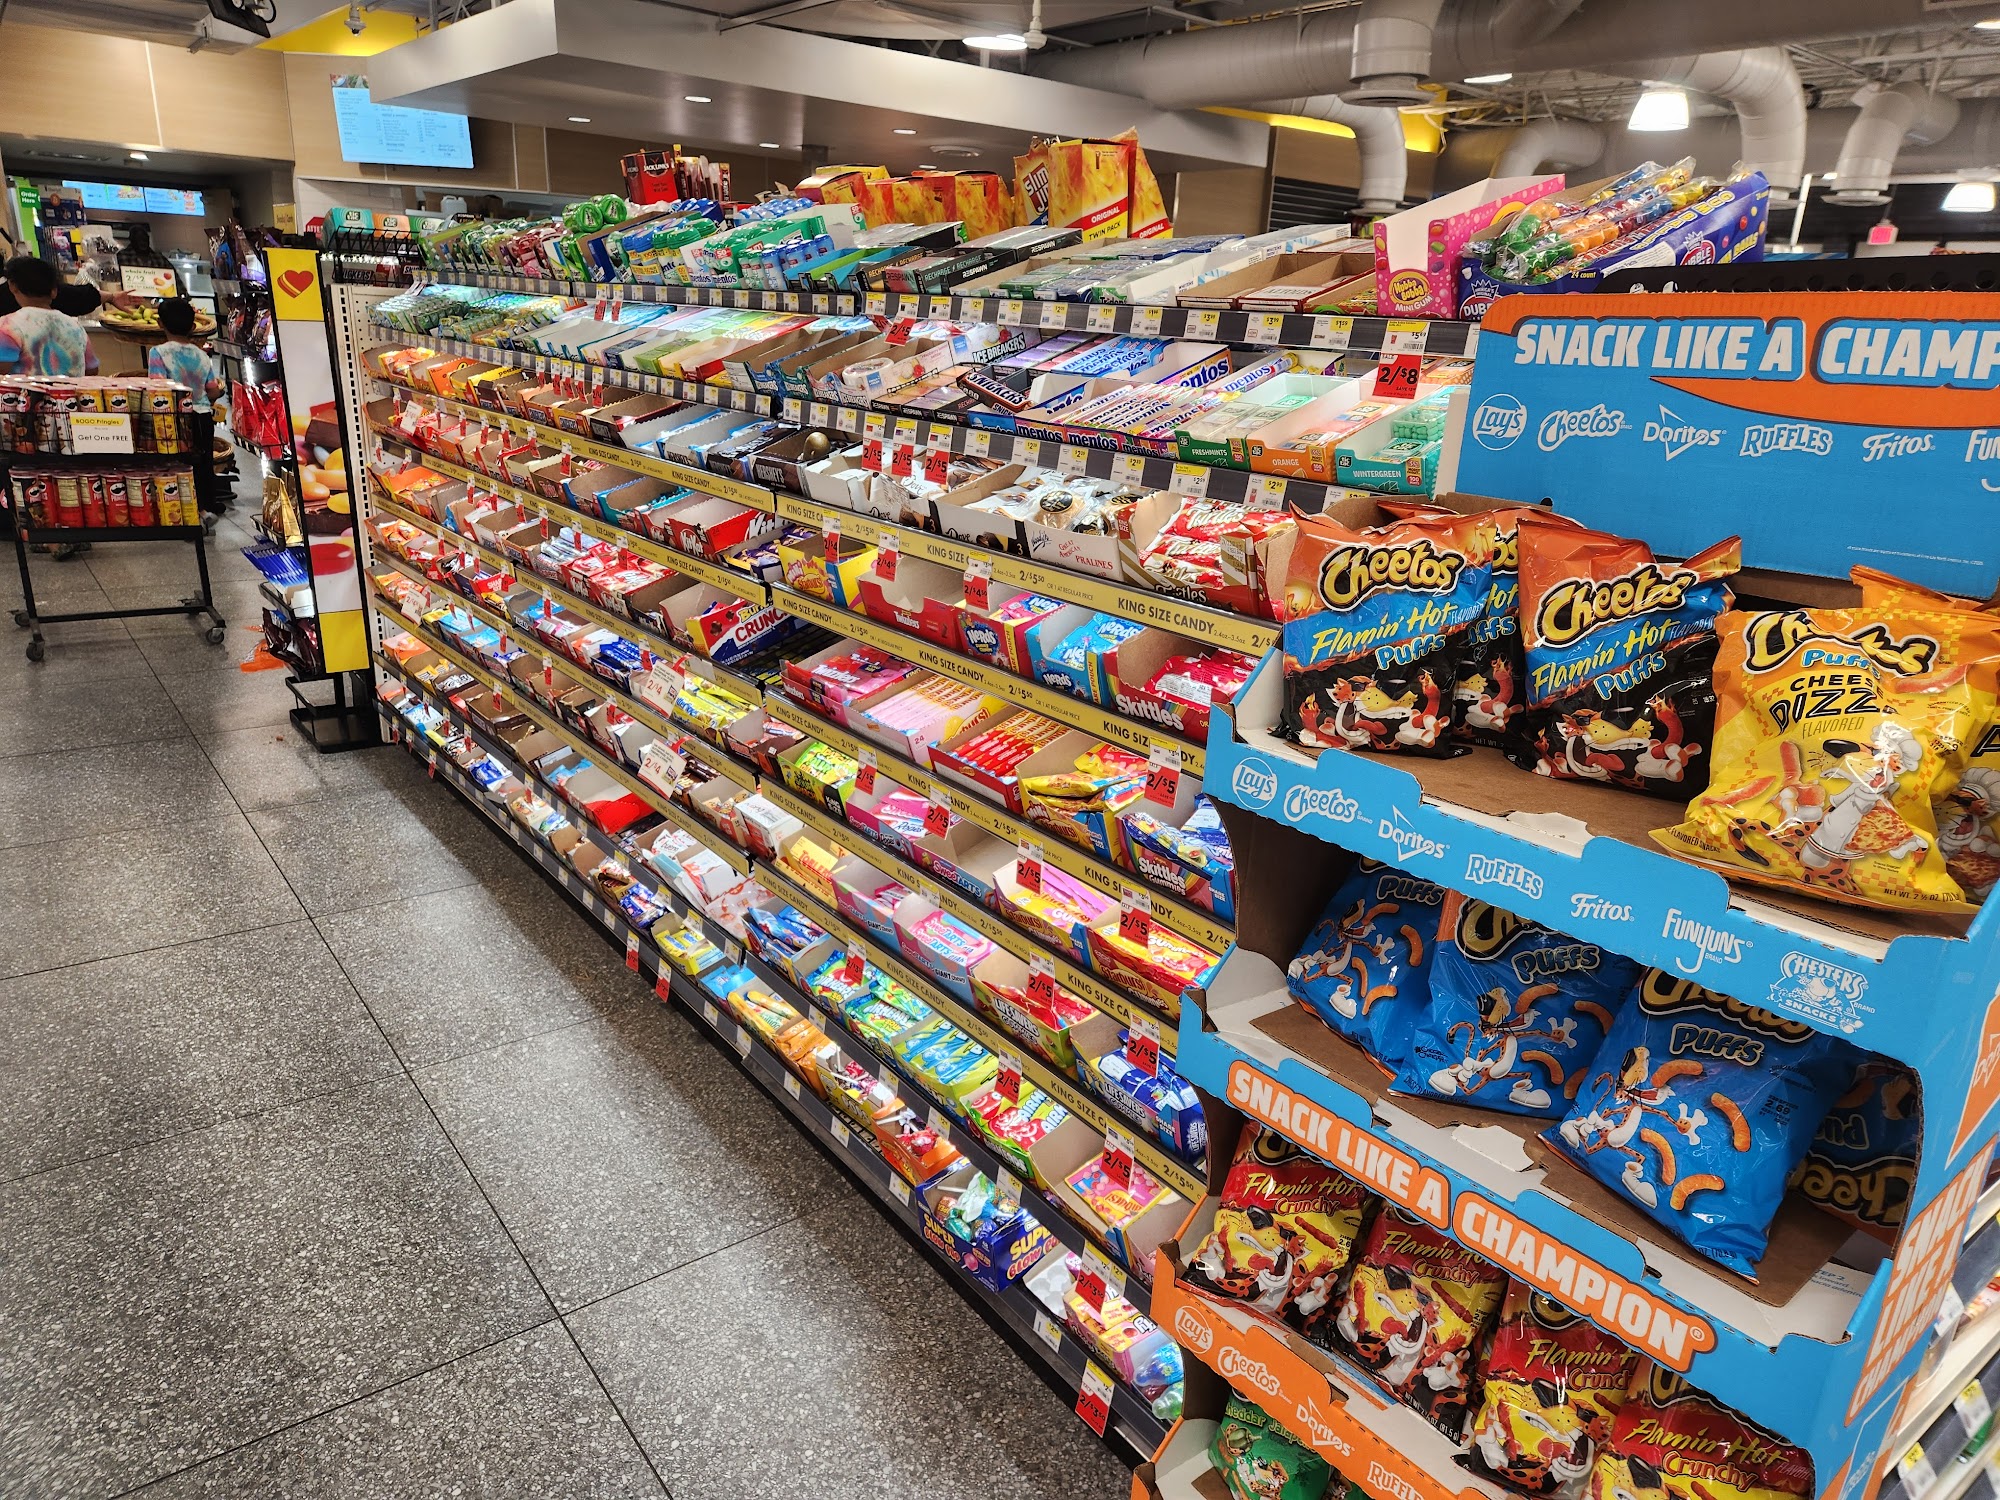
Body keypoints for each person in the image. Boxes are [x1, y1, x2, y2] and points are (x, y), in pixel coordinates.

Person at [148, 297, 227, 517]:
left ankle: (183, 509)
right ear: (193, 327)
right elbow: (213, 389)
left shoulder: (158, 353)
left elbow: (157, 388)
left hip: (174, 418)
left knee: (178, 463)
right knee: (203, 462)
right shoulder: (202, 355)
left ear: (160, 324)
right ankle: (205, 506)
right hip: (202, 416)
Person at [0, 256, 97, 376]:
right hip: (71, 388)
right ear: (54, 291)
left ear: (12, 286)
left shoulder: (9, 325)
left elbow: (2, 369)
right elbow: (92, 369)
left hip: (27, 389)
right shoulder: (75, 326)